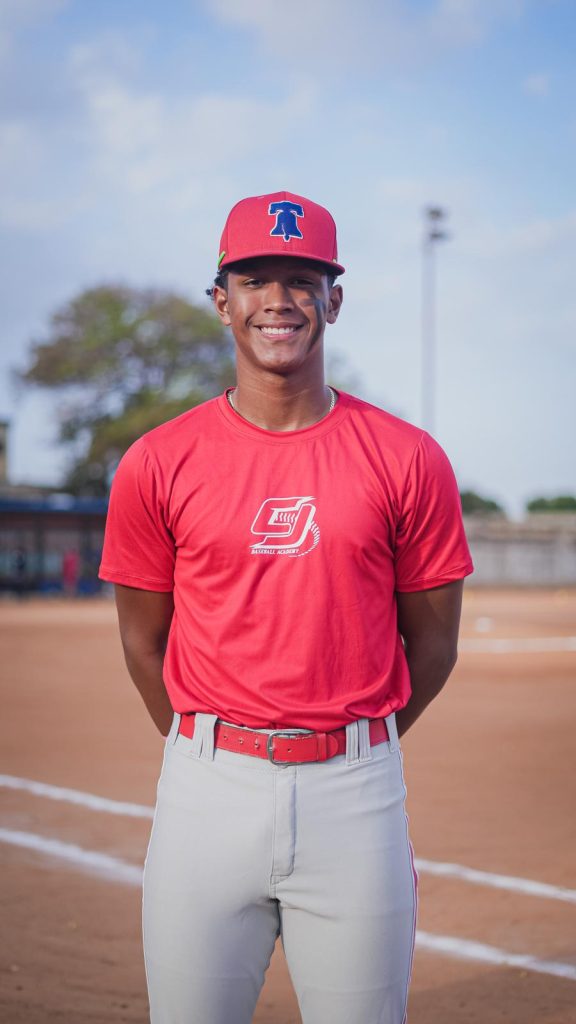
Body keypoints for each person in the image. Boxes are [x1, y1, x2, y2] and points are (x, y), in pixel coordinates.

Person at [99, 190, 473, 1024]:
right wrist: (212, 751)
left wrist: (350, 743)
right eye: (255, 279)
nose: (279, 301)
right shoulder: (157, 461)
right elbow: (142, 642)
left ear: (333, 301)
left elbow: (434, 645)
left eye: (302, 280)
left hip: (355, 794)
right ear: (221, 299)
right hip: (205, 791)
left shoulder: (410, 458)